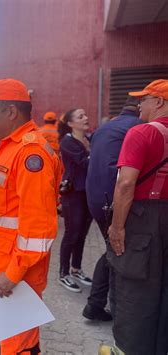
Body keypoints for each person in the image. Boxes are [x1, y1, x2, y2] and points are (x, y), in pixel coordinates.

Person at [0, 78, 61, 354]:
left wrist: (13, 273)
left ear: (11, 112)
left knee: (18, 346)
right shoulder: (9, 145)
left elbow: (39, 227)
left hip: (16, 273)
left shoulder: (29, 152)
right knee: (17, 340)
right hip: (5, 266)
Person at [103, 79, 168, 355]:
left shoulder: (142, 133)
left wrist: (117, 228)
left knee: (134, 287)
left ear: (160, 103)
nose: (139, 104)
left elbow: (126, 184)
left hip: (143, 217)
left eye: (145, 98)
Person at [83, 96, 141, 322]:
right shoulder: (138, 128)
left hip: (95, 197)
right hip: (114, 198)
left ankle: (96, 305)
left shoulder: (104, 127)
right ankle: (102, 306)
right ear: (139, 108)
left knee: (112, 248)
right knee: (116, 250)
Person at [57, 108, 93, 293]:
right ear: (70, 123)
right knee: (72, 233)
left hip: (88, 192)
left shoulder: (89, 139)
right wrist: (94, 154)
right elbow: (86, 162)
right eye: (80, 116)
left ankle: (76, 269)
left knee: (82, 234)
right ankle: (63, 273)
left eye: (85, 115)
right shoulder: (68, 142)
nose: (86, 117)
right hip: (73, 194)